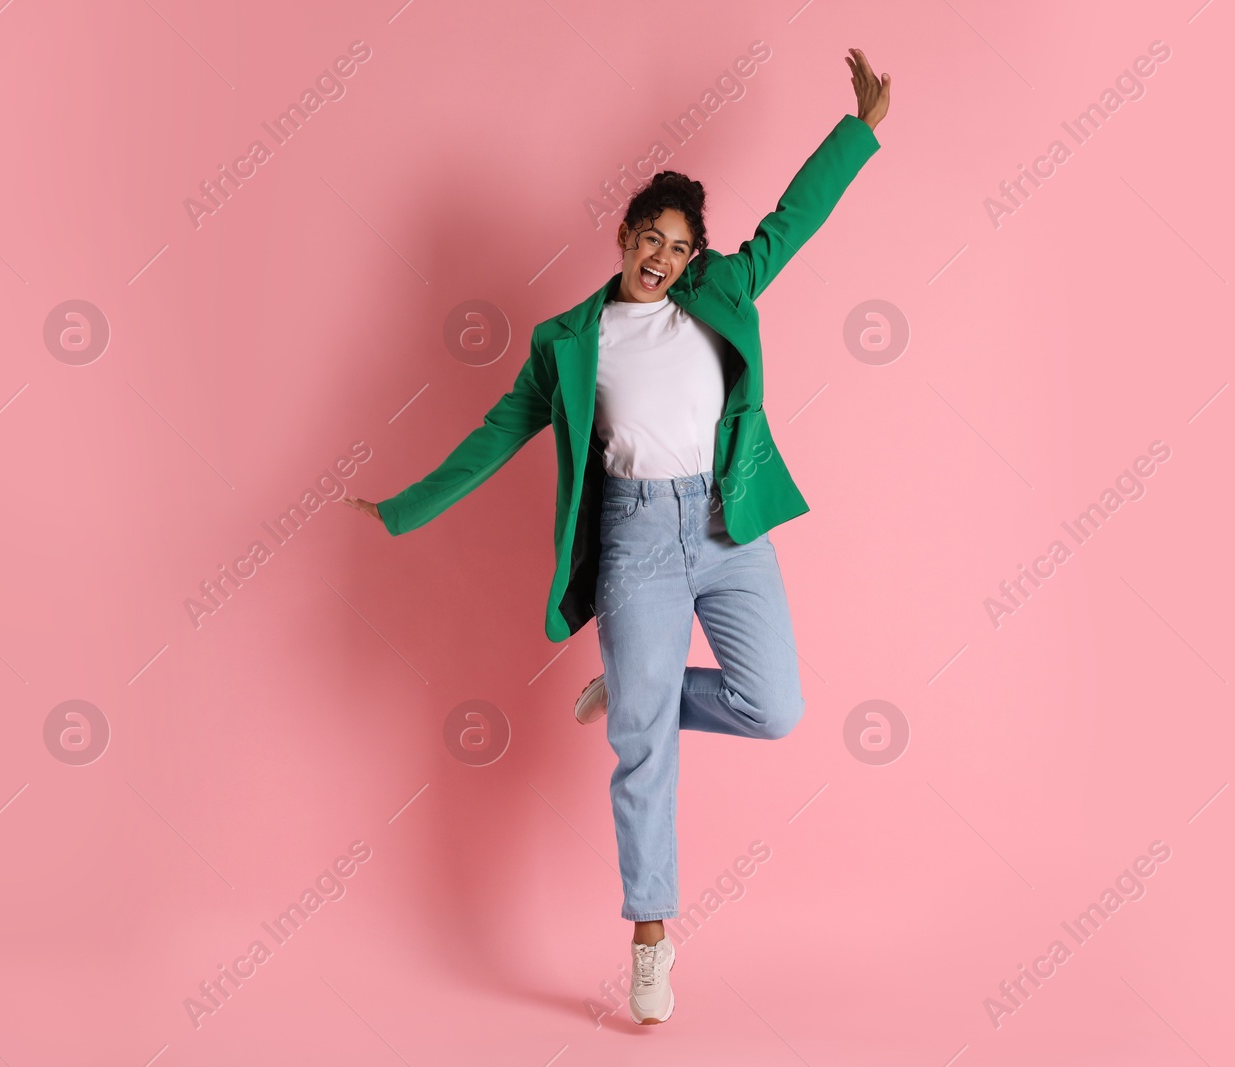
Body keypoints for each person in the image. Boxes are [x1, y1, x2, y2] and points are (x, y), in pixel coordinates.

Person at [345, 48, 891, 1025]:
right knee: (642, 751)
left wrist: (858, 131)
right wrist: (400, 508)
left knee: (775, 705)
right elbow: (494, 437)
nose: (660, 256)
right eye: (648, 235)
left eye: (678, 246)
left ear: (692, 257)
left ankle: (635, 689)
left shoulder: (721, 294)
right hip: (637, 538)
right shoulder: (569, 341)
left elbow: (790, 223)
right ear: (624, 233)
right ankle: (650, 938)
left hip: (727, 526)